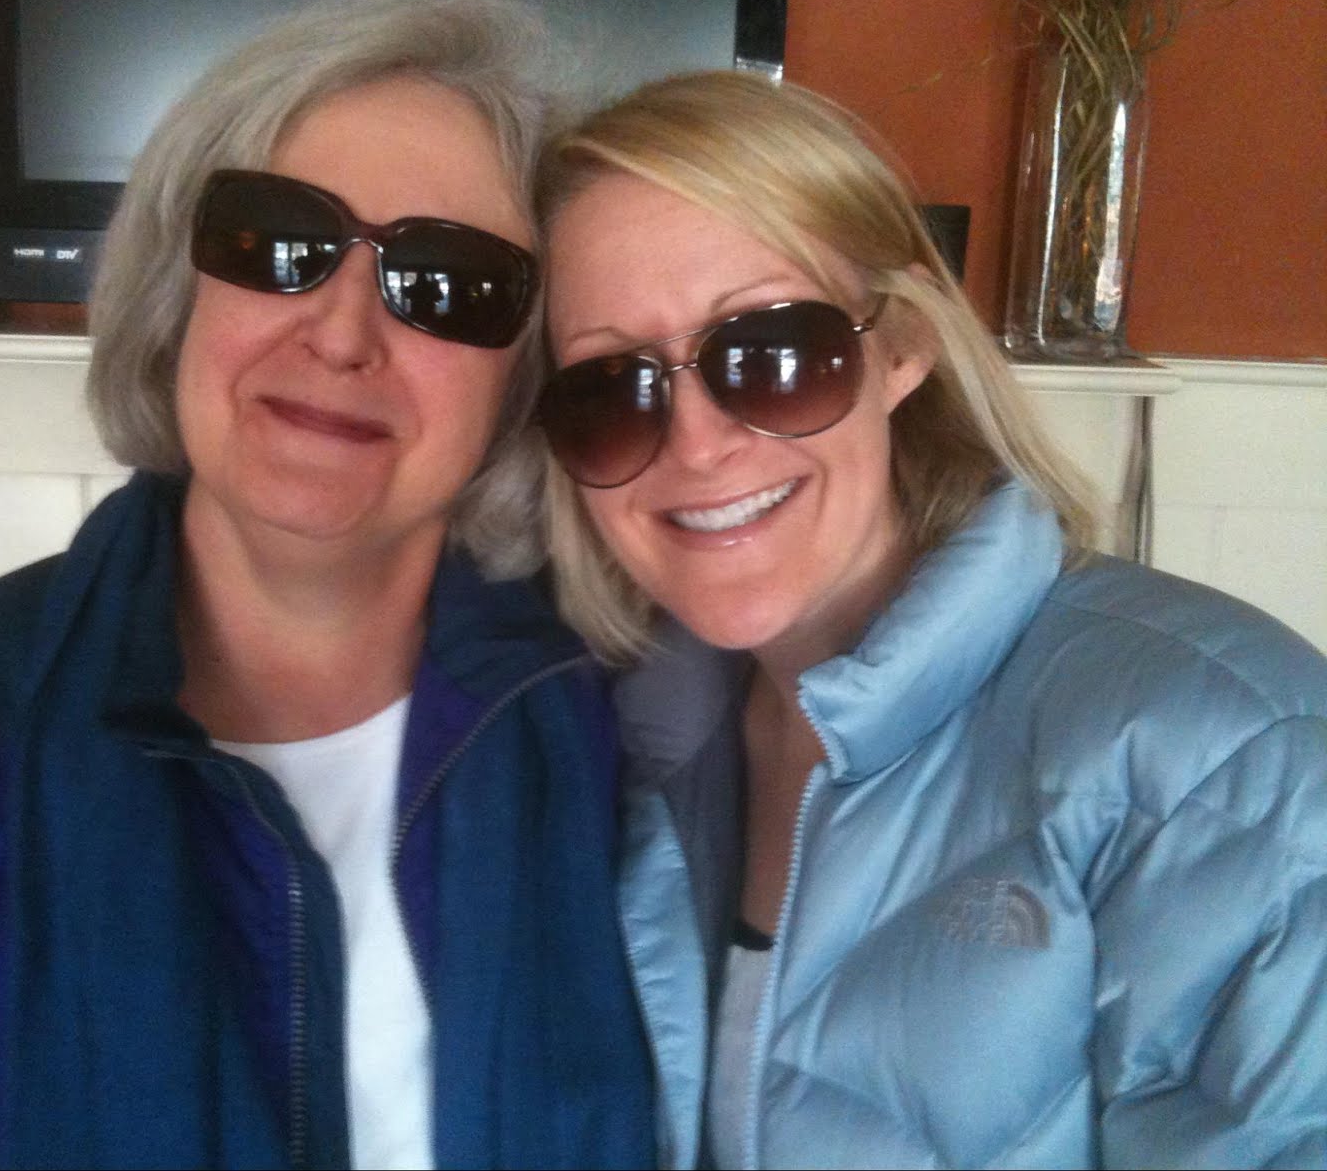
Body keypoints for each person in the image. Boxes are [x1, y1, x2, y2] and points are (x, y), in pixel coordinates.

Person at [0, 0, 654, 1169]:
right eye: (277, 242)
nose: (340, 332)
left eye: (448, 283)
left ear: (522, 379)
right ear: (180, 288)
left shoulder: (606, 728)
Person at [532, 70, 1327, 1170]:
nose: (696, 445)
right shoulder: (617, 744)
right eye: (608, 387)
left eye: (772, 355)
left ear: (900, 345)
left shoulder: (1221, 760)